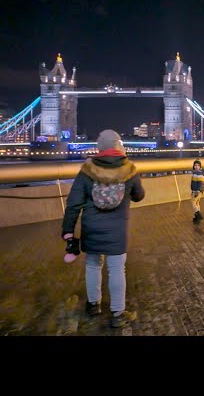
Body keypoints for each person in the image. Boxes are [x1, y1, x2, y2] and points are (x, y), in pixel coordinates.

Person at [61, 129, 145, 328]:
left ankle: (93, 305)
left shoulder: (87, 171)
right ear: (118, 145)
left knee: (92, 265)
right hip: (117, 230)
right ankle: (117, 313)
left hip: (91, 228)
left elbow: (73, 204)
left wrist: (68, 231)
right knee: (116, 269)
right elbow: (139, 196)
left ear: (99, 147)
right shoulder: (130, 170)